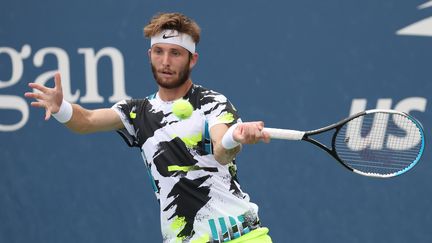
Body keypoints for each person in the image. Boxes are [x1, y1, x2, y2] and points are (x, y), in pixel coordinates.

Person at [25, 12, 272, 243]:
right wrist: (61, 108)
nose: (165, 61)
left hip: (241, 237)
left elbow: (222, 150)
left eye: (175, 53)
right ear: (149, 54)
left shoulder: (212, 102)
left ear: (192, 59)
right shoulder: (136, 112)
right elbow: (86, 120)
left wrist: (233, 139)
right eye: (159, 51)